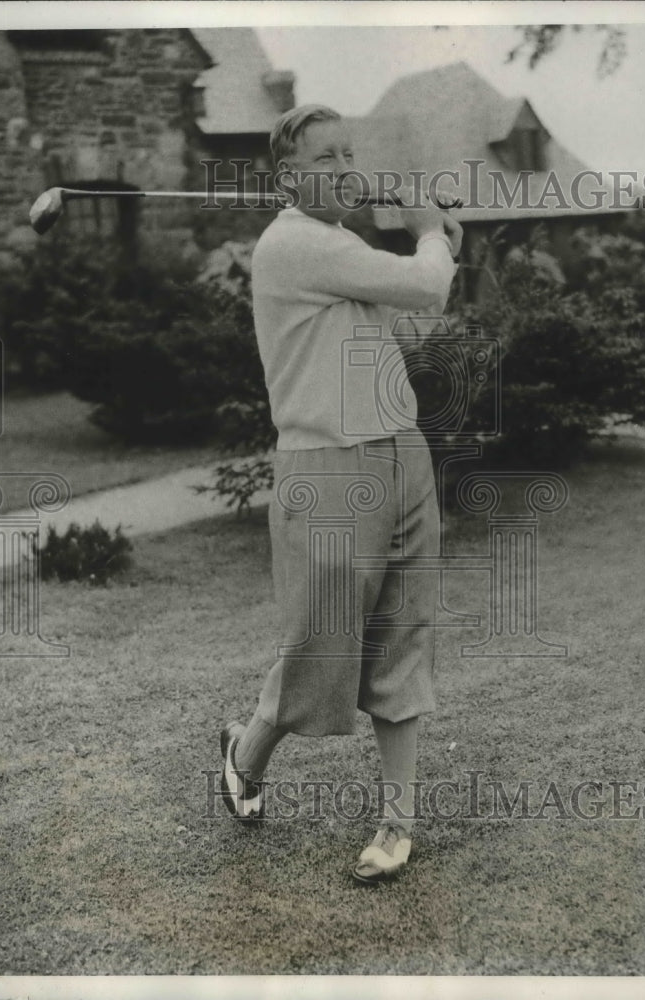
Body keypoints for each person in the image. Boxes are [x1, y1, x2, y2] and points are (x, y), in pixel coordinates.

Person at [220, 104, 462, 884]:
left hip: (401, 457)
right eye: (326, 158)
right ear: (290, 178)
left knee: (401, 640)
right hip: (328, 469)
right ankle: (248, 750)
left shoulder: (339, 246)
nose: (344, 167)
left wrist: (438, 247)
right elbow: (427, 286)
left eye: (348, 152)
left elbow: (412, 322)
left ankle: (397, 827)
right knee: (322, 648)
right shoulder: (293, 245)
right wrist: (428, 230)